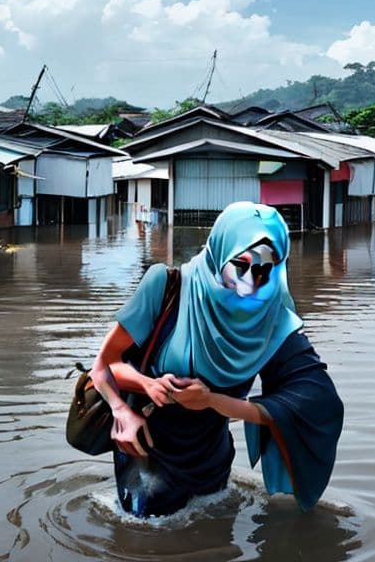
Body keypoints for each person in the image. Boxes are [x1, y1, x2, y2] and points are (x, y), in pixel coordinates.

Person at [90, 201, 343, 518]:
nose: (251, 283)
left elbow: (314, 401)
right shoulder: (167, 287)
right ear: (220, 252)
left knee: (218, 544)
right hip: (148, 454)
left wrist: (212, 401)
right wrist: (128, 403)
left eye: (265, 269)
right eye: (241, 264)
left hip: (213, 459)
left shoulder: (272, 316)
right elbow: (104, 364)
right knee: (143, 543)